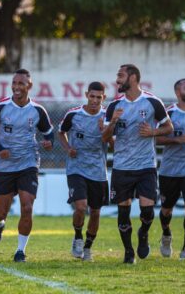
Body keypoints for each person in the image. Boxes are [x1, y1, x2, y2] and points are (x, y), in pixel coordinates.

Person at [102, 64, 173, 264]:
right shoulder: (114, 106)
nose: (117, 80)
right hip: (122, 168)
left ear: (132, 78)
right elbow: (105, 138)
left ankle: (143, 233)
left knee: (148, 212)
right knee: (123, 212)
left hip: (146, 167)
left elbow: (169, 127)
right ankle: (128, 251)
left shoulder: (152, 102)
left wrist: (153, 132)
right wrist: (113, 122)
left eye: (120, 76)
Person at [0, 68, 54, 262]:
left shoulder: (38, 111)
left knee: (27, 206)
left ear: (29, 86)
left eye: (21, 83)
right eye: (14, 83)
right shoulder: (1, 107)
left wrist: (49, 142)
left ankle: (20, 251)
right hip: (5, 165)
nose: (16, 87)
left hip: (28, 162)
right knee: (1, 212)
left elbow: (49, 133)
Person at [58, 81, 110, 261]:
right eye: (92, 96)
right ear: (87, 95)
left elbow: (115, 144)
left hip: (98, 171)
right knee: (80, 207)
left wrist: (107, 130)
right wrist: (67, 148)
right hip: (76, 168)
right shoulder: (73, 115)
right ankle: (78, 236)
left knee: (95, 212)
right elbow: (60, 133)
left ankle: (88, 247)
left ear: (104, 97)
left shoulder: (107, 116)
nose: (95, 100)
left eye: (99, 97)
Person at [156, 78, 185, 261]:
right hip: (169, 171)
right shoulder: (168, 114)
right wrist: (176, 139)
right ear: (178, 93)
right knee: (166, 210)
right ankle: (166, 235)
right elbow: (156, 139)